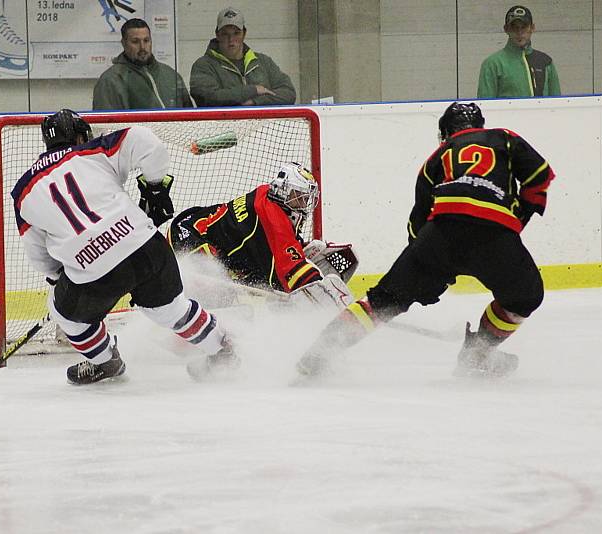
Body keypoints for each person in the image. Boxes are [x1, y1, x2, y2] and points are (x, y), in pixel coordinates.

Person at [296, 102, 556, 379]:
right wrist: (518, 219)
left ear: (445, 132)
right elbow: (540, 176)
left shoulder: (436, 158)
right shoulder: (503, 137)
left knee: (381, 301)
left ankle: (316, 355)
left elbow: (417, 224)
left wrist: (423, 274)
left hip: (440, 234)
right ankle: (477, 355)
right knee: (525, 297)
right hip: (494, 234)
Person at [12, 109, 238, 384]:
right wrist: (155, 188)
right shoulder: (94, 150)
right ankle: (222, 348)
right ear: (80, 133)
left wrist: (58, 277)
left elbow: (39, 256)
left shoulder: (22, 191)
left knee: (66, 316)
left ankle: (106, 362)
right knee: (170, 309)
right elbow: (146, 141)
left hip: (92, 271)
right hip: (145, 246)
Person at [168, 163, 356, 309]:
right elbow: (292, 269)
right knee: (221, 292)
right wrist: (321, 290)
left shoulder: (266, 193)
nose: (302, 203)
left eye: (305, 198)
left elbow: (264, 245)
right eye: (297, 196)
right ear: (282, 191)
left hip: (193, 227)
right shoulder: (274, 218)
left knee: (247, 275)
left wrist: (297, 248)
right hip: (188, 241)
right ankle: (181, 319)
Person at [189, 7, 296, 107]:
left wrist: (255, 102)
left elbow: (289, 93)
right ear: (217, 35)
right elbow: (207, 98)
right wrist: (253, 90)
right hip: (223, 126)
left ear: (244, 34)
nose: (231, 40)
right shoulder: (203, 66)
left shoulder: (263, 62)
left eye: (236, 33)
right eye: (225, 34)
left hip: (264, 126)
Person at [93, 18, 194, 110]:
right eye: (135, 41)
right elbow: (107, 125)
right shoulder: (111, 80)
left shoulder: (170, 74)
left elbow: (190, 116)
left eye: (146, 40)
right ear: (123, 43)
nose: (142, 47)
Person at [477, 5, 561, 98]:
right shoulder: (492, 64)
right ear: (506, 29)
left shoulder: (546, 62)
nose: (519, 32)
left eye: (524, 27)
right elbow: (484, 106)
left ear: (532, 28)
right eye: (514, 27)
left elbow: (557, 103)